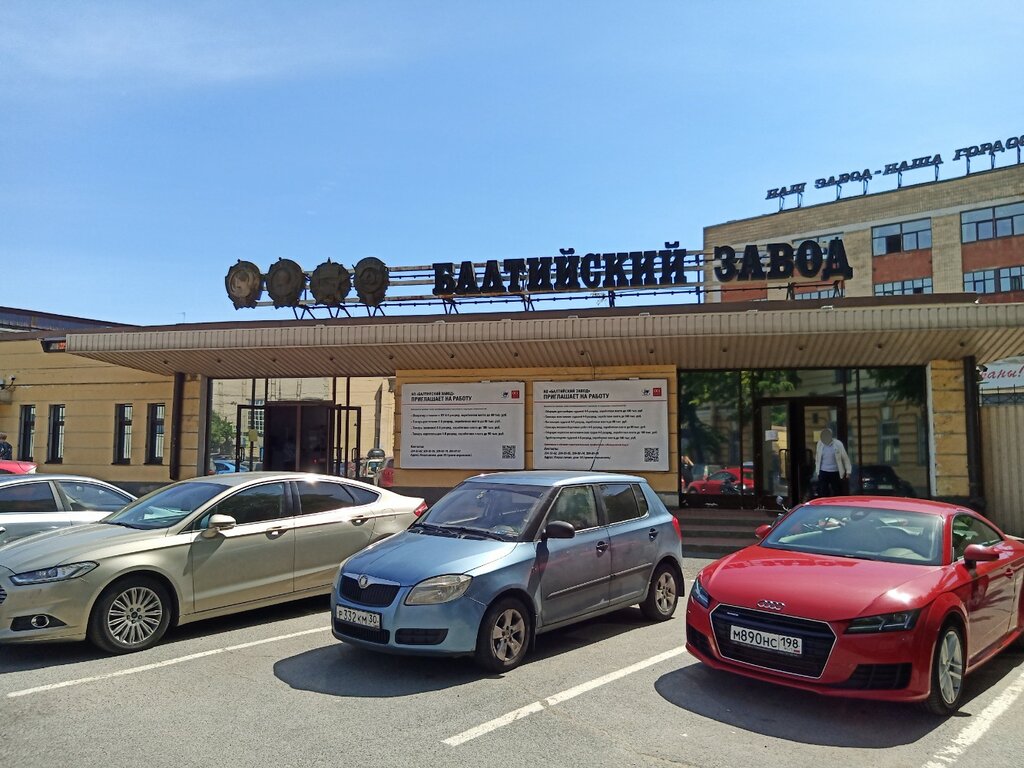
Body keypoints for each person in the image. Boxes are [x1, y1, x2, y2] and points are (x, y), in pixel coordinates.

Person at [813, 428, 851, 497]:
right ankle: (825, 505)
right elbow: (817, 458)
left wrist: (848, 471)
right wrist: (817, 471)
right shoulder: (820, 444)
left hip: (835, 471)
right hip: (823, 471)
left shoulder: (838, 444)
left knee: (837, 491)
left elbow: (845, 458)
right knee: (823, 491)